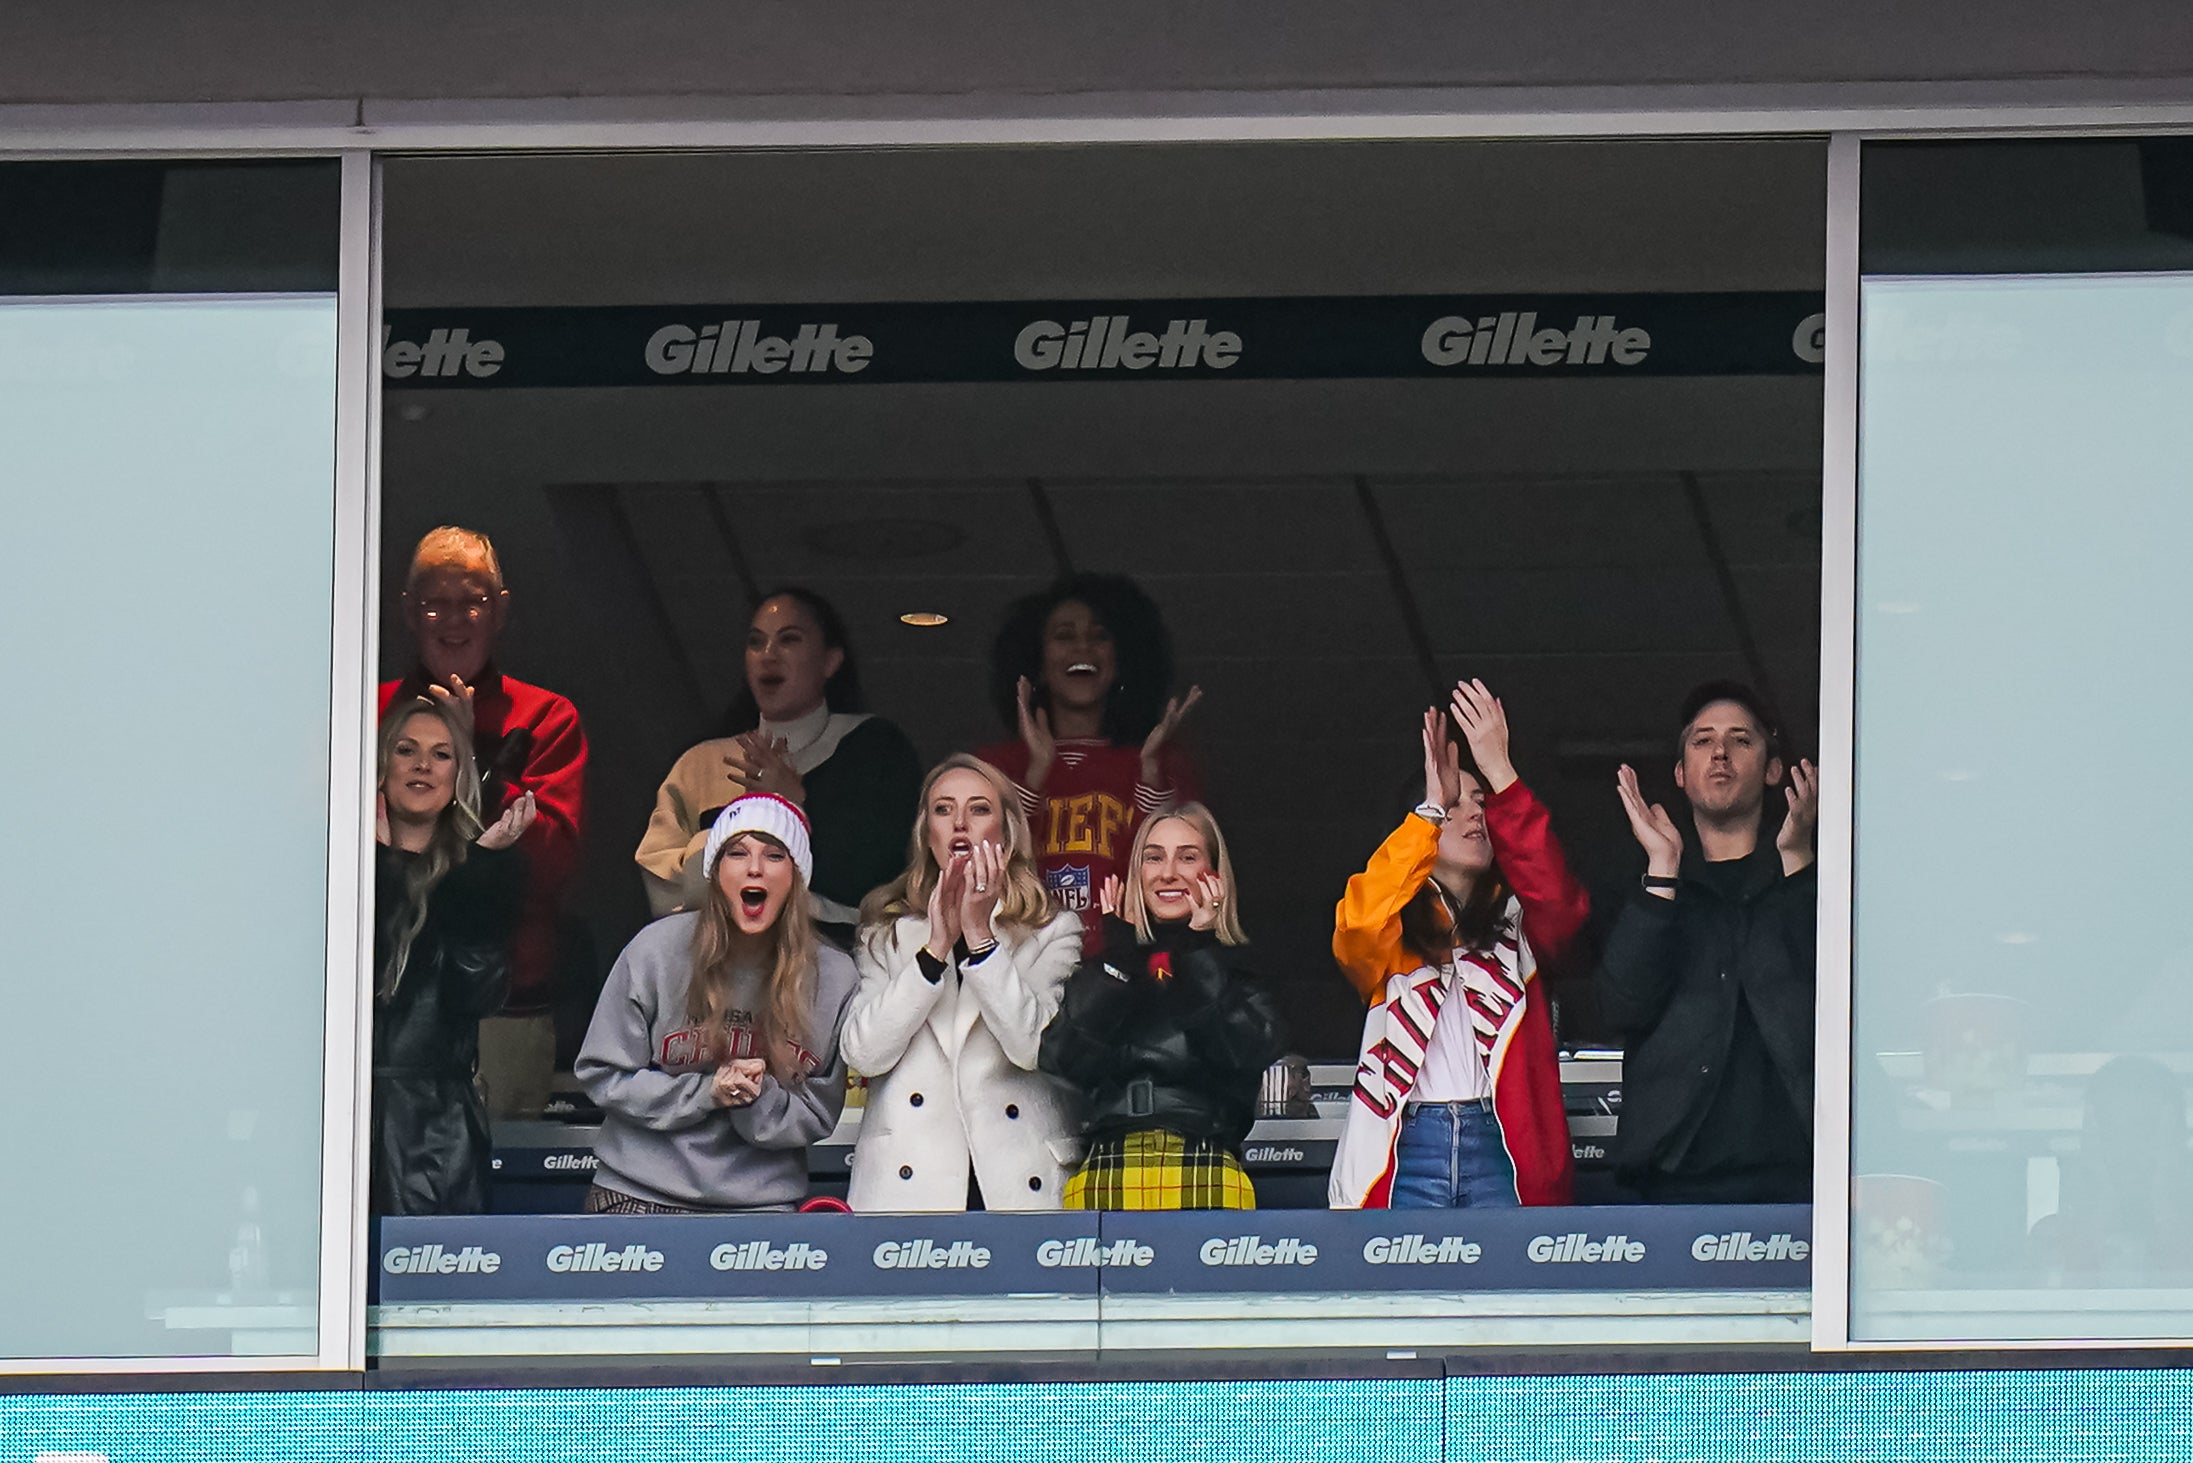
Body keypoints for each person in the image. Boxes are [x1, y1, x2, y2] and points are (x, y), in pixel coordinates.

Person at [1329, 682, 1589, 1209]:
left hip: (1503, 1147)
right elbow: (1355, 924)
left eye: (1482, 803)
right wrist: (1428, 812)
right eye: (1456, 804)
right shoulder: (1391, 933)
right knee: (1399, 1294)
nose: (1475, 814)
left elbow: (1562, 905)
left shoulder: (1520, 925)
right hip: (1405, 1149)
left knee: (1509, 1294)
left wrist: (1502, 772)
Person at [380, 525, 586, 1122]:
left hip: (505, 1005)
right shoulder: (366, 711)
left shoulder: (546, 717)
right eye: (434, 601)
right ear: (409, 614)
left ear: (500, 610)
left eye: (470, 599)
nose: (453, 618)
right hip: (384, 998)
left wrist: (469, 760)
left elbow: (552, 866)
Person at [578, 794, 858, 1213]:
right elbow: (602, 1074)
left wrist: (757, 1095)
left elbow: (818, 1111)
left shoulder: (835, 977)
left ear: (797, 877)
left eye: (775, 855)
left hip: (761, 1206)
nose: (755, 868)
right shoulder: (653, 952)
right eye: (737, 853)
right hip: (637, 1192)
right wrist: (707, 1090)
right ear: (714, 872)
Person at [1596, 680, 1819, 1204]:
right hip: (1670, 1182)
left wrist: (1799, 863)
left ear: (1772, 769)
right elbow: (1619, 1007)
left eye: (1741, 739)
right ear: (1680, 773)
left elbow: (1839, 1002)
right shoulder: (1653, 884)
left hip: (1797, 1177)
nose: (1719, 752)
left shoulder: (1808, 875)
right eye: (1702, 741)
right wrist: (1662, 871)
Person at [842, 754, 1085, 1212]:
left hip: (1016, 1179)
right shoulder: (885, 930)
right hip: (908, 1186)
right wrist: (934, 951)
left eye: (978, 809)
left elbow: (1032, 1047)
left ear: (1007, 832)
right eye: (942, 809)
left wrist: (980, 938)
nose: (959, 823)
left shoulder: (1053, 929)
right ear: (925, 832)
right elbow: (864, 1053)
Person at [1038, 804, 1286, 1210]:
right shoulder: (1109, 965)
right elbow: (1060, 1058)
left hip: (1205, 1161)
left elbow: (1241, 1053)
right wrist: (1119, 959)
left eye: (1187, 857)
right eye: (1153, 857)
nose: (1168, 872)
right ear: (1137, 873)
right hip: (1108, 1166)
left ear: (1215, 874)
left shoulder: (1239, 966)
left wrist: (1197, 951)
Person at [637, 587, 922, 937]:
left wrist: (796, 805)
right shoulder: (701, 764)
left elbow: (881, 875)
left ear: (830, 661)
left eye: (788, 640)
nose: (768, 655)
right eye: (756, 643)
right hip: (713, 967)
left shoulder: (875, 750)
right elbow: (661, 881)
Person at [371, 695, 538, 1216]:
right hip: (337, 1118)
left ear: (459, 776)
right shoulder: (337, 865)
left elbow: (478, 992)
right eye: (406, 749)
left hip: (434, 1131)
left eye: (442, 754)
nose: (422, 765)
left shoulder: (477, 877)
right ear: (379, 766)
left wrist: (480, 877)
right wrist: (382, 867)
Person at [980, 573, 1202, 951]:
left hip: (1126, 972)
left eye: (1100, 636)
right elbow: (984, 868)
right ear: (1037, 660)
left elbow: (1172, 880)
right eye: (1064, 636)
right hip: (1019, 968)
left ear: (1121, 659)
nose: (1082, 647)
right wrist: (1034, 775)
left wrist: (1149, 774)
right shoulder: (994, 767)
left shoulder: (1162, 764)